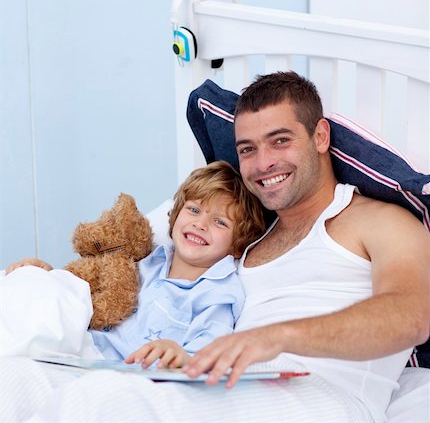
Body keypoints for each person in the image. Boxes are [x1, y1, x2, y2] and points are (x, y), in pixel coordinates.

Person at [1, 72, 429, 422]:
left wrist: (276, 338)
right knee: (15, 380)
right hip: (214, 380)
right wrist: (55, 282)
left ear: (320, 136)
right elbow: (164, 280)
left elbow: (411, 316)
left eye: (280, 141)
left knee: (101, 403)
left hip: (321, 396)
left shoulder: (378, 220)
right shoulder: (244, 236)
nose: (263, 164)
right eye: (248, 149)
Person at [2, 160, 266, 368]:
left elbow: (214, 346)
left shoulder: (217, 292)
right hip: (81, 346)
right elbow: (88, 290)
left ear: (237, 245)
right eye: (194, 210)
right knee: (29, 287)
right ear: (174, 218)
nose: (200, 224)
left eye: (220, 222)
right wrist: (51, 277)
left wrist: (182, 355)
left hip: (114, 367)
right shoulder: (149, 262)